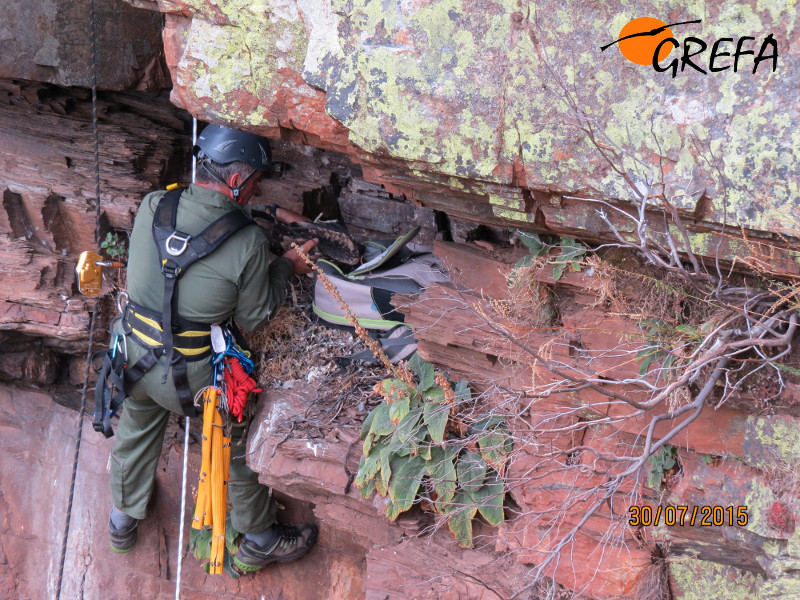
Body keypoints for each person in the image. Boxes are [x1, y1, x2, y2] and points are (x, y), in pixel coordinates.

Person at [107, 124, 319, 574]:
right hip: (195, 381)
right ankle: (260, 538)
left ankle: (121, 519)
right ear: (239, 180)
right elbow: (255, 316)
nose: (255, 188)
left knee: (137, 424)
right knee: (233, 438)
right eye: (256, 181)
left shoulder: (153, 204)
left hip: (133, 356)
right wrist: (285, 265)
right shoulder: (247, 243)